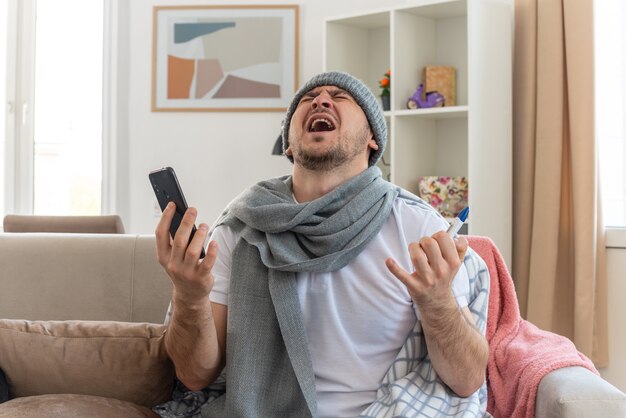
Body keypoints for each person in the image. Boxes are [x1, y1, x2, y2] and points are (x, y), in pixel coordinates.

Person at [154, 72, 490, 418]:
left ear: (373, 137)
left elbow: (466, 380)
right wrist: (189, 297)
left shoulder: (416, 226)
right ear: (288, 143)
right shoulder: (239, 229)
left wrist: (438, 303)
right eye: (308, 98)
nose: (321, 100)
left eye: (340, 96)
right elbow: (194, 376)